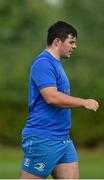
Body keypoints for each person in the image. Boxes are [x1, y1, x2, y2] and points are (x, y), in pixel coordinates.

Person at [20, 21, 99, 179]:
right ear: (57, 41)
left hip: (62, 139)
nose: (74, 46)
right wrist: (83, 102)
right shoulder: (43, 63)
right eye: (71, 42)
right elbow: (52, 97)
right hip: (44, 138)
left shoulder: (55, 64)